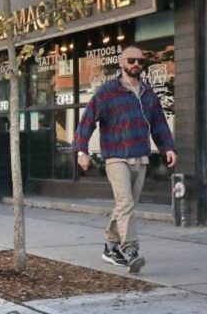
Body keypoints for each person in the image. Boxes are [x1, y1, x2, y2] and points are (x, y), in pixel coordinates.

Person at [74, 45, 176, 274]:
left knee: (125, 205)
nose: (136, 64)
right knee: (126, 203)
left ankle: (110, 246)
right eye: (131, 60)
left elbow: (159, 122)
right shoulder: (108, 91)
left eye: (140, 61)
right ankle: (131, 250)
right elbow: (87, 120)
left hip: (141, 156)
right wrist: (81, 151)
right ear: (121, 63)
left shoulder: (147, 93)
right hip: (116, 157)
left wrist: (168, 147)